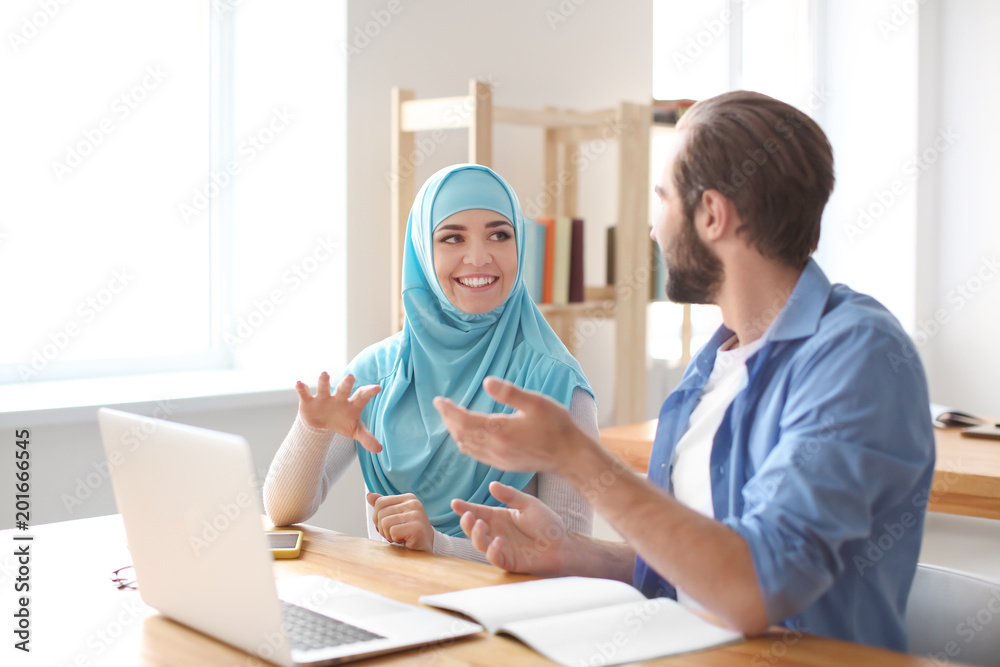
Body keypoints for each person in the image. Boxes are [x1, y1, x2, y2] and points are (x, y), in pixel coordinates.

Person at [433, 91, 935, 652]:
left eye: (662, 199)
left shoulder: (857, 355)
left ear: (712, 215)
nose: (653, 231)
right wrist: (573, 553)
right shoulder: (715, 362)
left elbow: (754, 588)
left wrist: (576, 456)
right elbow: (697, 571)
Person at [263, 163, 597, 563]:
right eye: (453, 238)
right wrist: (312, 430)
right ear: (423, 250)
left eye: (499, 235)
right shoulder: (378, 372)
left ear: (520, 245)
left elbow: (573, 557)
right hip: (389, 597)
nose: (479, 257)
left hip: (502, 604)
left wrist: (440, 546)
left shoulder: (557, 384)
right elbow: (283, 512)